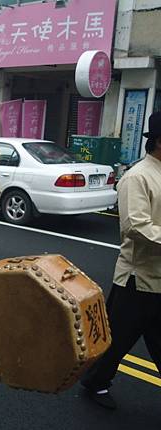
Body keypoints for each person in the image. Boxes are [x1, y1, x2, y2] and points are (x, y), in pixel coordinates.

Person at [81, 111, 161, 410]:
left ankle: (96, 380)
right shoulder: (138, 176)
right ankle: (95, 381)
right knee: (116, 339)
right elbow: (135, 226)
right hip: (137, 278)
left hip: (158, 278)